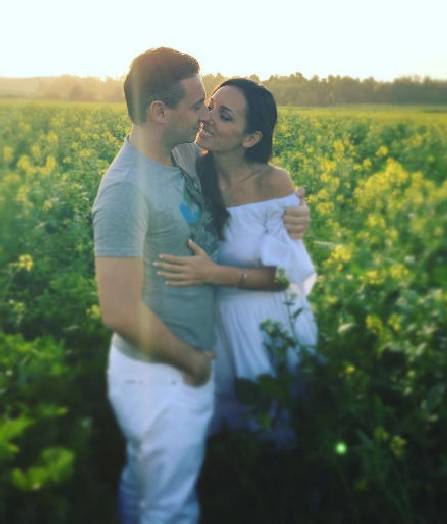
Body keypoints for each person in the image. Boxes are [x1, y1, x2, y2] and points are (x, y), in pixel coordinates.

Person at [92, 49, 310, 524]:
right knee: (170, 508)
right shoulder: (125, 191)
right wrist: (191, 362)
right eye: (197, 106)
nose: (204, 116)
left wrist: (292, 210)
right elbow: (119, 310)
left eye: (210, 106)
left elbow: (246, 185)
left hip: (177, 363)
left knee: (145, 480)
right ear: (159, 111)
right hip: (162, 372)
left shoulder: (184, 156)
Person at [153, 78, 318, 447]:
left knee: (273, 433)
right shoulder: (192, 168)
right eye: (209, 106)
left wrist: (213, 274)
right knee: (219, 442)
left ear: (251, 138)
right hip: (213, 323)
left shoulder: (273, 183)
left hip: (265, 323)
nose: (207, 117)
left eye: (224, 115)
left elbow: (283, 277)